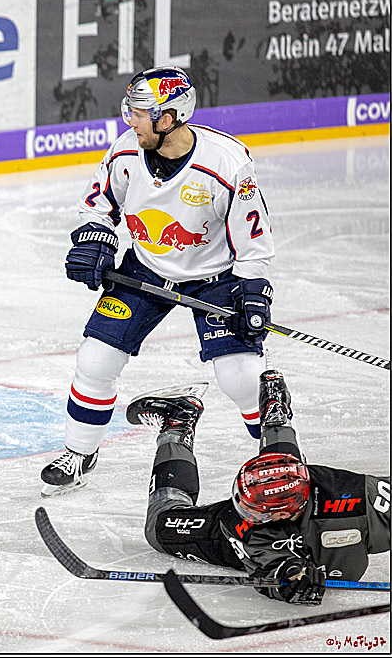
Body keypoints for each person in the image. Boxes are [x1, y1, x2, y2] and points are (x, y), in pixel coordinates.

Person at [41, 66, 276, 494]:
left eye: (139, 111)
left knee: (242, 377)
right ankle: (79, 453)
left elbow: (253, 238)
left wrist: (253, 291)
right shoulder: (125, 153)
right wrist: (95, 239)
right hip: (145, 268)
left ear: (168, 118)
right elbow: (98, 204)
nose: (129, 119)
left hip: (214, 278)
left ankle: (280, 463)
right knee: (96, 359)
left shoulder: (226, 163)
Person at [133, 370, 390, 605]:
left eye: (260, 512)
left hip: (300, 503)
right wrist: (292, 578)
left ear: (292, 509)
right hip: (230, 532)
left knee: (282, 469)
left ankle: (275, 408)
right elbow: (272, 567)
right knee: (159, 526)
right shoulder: (246, 525)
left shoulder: (358, 496)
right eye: (248, 508)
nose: (250, 517)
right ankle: (177, 422)